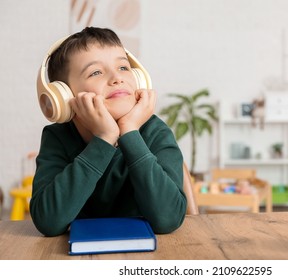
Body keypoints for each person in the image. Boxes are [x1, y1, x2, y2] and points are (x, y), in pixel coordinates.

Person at [30, 27, 187, 237]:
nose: (117, 78)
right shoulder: (58, 137)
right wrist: (104, 139)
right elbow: (48, 221)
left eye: (123, 67)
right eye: (96, 72)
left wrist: (130, 133)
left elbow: (169, 219)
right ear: (65, 97)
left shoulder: (155, 131)